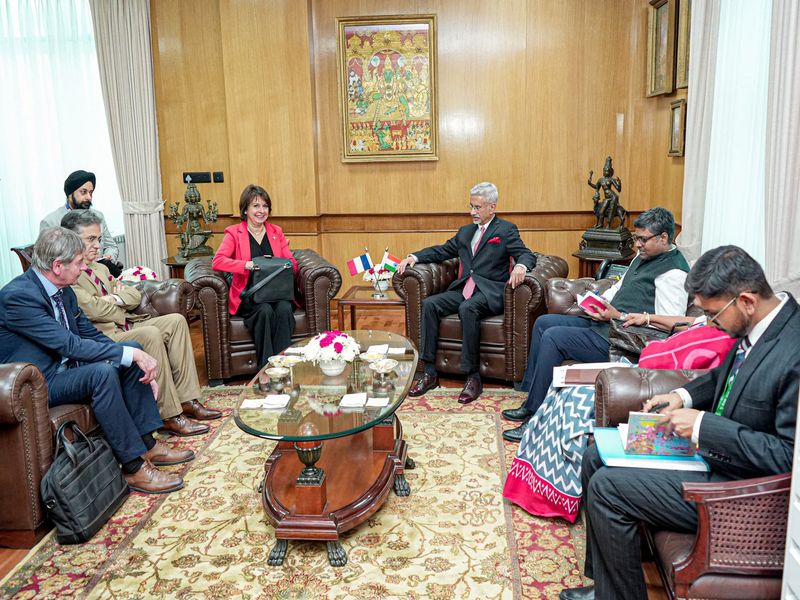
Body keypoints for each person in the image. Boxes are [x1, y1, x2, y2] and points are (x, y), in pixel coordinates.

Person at [560, 245, 800, 600]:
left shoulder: (793, 352)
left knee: (608, 488)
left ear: (746, 301)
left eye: (713, 315)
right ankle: (605, 586)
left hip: (741, 492)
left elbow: (787, 458)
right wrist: (683, 396)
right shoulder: (758, 325)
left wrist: (702, 426)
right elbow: (722, 376)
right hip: (719, 458)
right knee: (595, 456)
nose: (711, 324)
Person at [0, 227, 192, 494]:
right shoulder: (19, 297)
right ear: (57, 266)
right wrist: (132, 356)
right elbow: (68, 344)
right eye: (79, 262)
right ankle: (134, 468)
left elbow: (89, 334)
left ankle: (148, 444)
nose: (83, 268)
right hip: (39, 383)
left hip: (65, 369)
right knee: (103, 372)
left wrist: (134, 356)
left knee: (130, 349)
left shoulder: (64, 291)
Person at [503, 313, 736, 523]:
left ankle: (555, 493)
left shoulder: (730, 340)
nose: (703, 311)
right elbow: (692, 325)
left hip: (646, 365)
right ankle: (535, 449)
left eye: (709, 308)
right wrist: (645, 317)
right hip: (632, 348)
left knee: (572, 389)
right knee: (562, 381)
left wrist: (697, 419)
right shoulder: (714, 322)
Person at [502, 207, 690, 442]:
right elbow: (619, 286)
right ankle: (531, 401)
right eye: (637, 238)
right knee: (543, 323)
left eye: (643, 239)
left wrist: (617, 315)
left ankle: (536, 419)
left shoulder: (673, 274)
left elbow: (667, 327)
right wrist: (600, 302)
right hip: (608, 325)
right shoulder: (644, 256)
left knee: (553, 337)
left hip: (623, 342)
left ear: (663, 237)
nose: (638, 244)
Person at [61, 210, 222, 435]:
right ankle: (168, 415)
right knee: (150, 334)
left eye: (99, 239)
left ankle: (187, 400)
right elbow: (92, 310)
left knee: (176, 321)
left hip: (126, 324)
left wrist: (114, 299)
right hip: (105, 335)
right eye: (91, 239)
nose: (98, 246)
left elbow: (133, 295)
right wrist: (116, 301)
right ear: (71, 240)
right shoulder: (70, 273)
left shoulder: (100, 268)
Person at [396, 182, 536, 404]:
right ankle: (429, 372)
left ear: (492, 207)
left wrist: (520, 266)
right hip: (464, 288)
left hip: (490, 292)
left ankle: (473, 377)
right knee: (431, 304)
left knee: (467, 308)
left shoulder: (506, 230)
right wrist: (415, 257)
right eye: (471, 206)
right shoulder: (465, 231)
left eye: (477, 207)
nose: (472, 212)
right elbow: (443, 250)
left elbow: (526, 254)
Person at [212, 184, 297, 369]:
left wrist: (286, 265)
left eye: (265, 206)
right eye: (256, 206)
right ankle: (266, 369)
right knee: (264, 311)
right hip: (250, 293)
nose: (261, 211)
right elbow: (218, 262)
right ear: (245, 209)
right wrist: (246, 265)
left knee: (284, 308)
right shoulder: (234, 233)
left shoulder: (276, 232)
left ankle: (283, 365)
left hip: (277, 292)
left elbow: (291, 262)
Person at [40, 170, 122, 277]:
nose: (89, 197)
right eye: (83, 192)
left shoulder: (98, 216)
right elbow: (49, 261)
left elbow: (111, 246)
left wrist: (107, 258)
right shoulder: (51, 222)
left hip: (100, 272)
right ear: (70, 194)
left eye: (91, 193)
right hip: (70, 279)